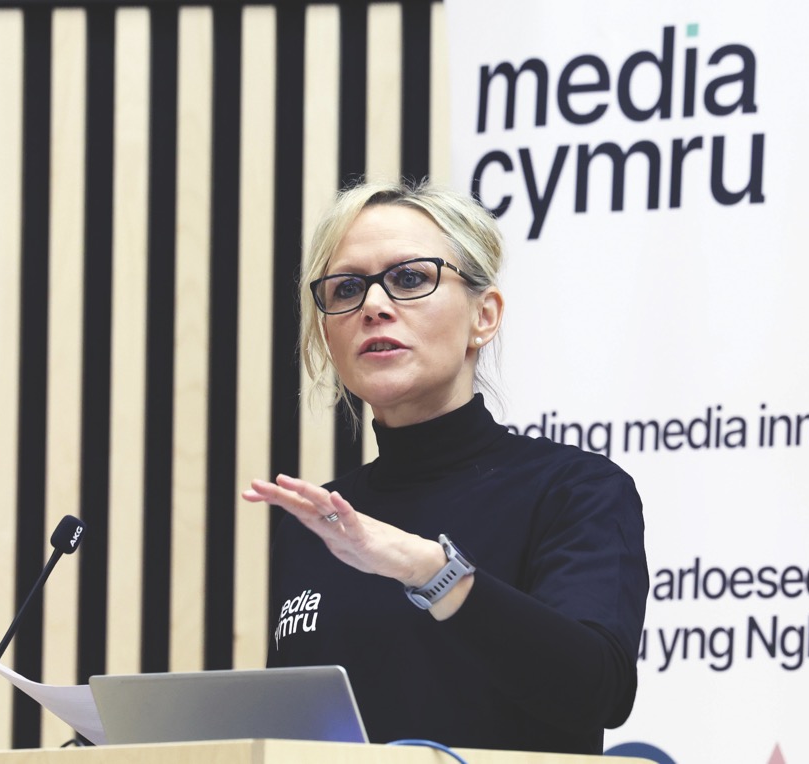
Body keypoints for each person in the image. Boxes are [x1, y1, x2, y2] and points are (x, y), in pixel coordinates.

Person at [242, 180, 648, 755]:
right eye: (347, 288)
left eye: (410, 278)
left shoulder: (574, 490)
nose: (374, 306)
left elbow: (597, 690)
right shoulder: (315, 522)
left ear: (484, 316)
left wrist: (430, 569)